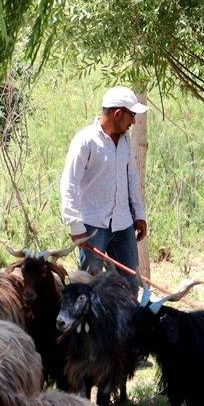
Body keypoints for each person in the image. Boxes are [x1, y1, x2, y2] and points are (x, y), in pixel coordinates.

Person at [59, 86, 149, 278]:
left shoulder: (126, 141)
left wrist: (139, 214)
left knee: (130, 283)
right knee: (90, 283)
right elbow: (69, 183)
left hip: (123, 223)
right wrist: (75, 225)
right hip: (92, 226)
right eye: (131, 115)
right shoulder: (85, 141)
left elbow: (132, 177)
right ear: (118, 114)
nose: (133, 121)